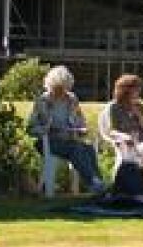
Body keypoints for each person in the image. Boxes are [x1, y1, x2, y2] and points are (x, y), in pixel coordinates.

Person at [27, 65, 106, 195]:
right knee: (76, 148)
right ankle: (94, 183)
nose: (61, 92)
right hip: (48, 142)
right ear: (50, 85)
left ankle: (98, 183)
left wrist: (81, 129)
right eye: (57, 88)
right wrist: (47, 129)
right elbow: (30, 128)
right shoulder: (42, 101)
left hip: (69, 140)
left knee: (88, 149)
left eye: (64, 88)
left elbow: (80, 121)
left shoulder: (72, 99)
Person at [101, 74, 143, 196]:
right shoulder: (115, 107)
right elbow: (112, 130)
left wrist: (141, 118)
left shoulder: (140, 106)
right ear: (126, 90)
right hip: (126, 143)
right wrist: (125, 137)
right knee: (140, 150)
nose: (138, 92)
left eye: (139, 89)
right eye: (136, 89)